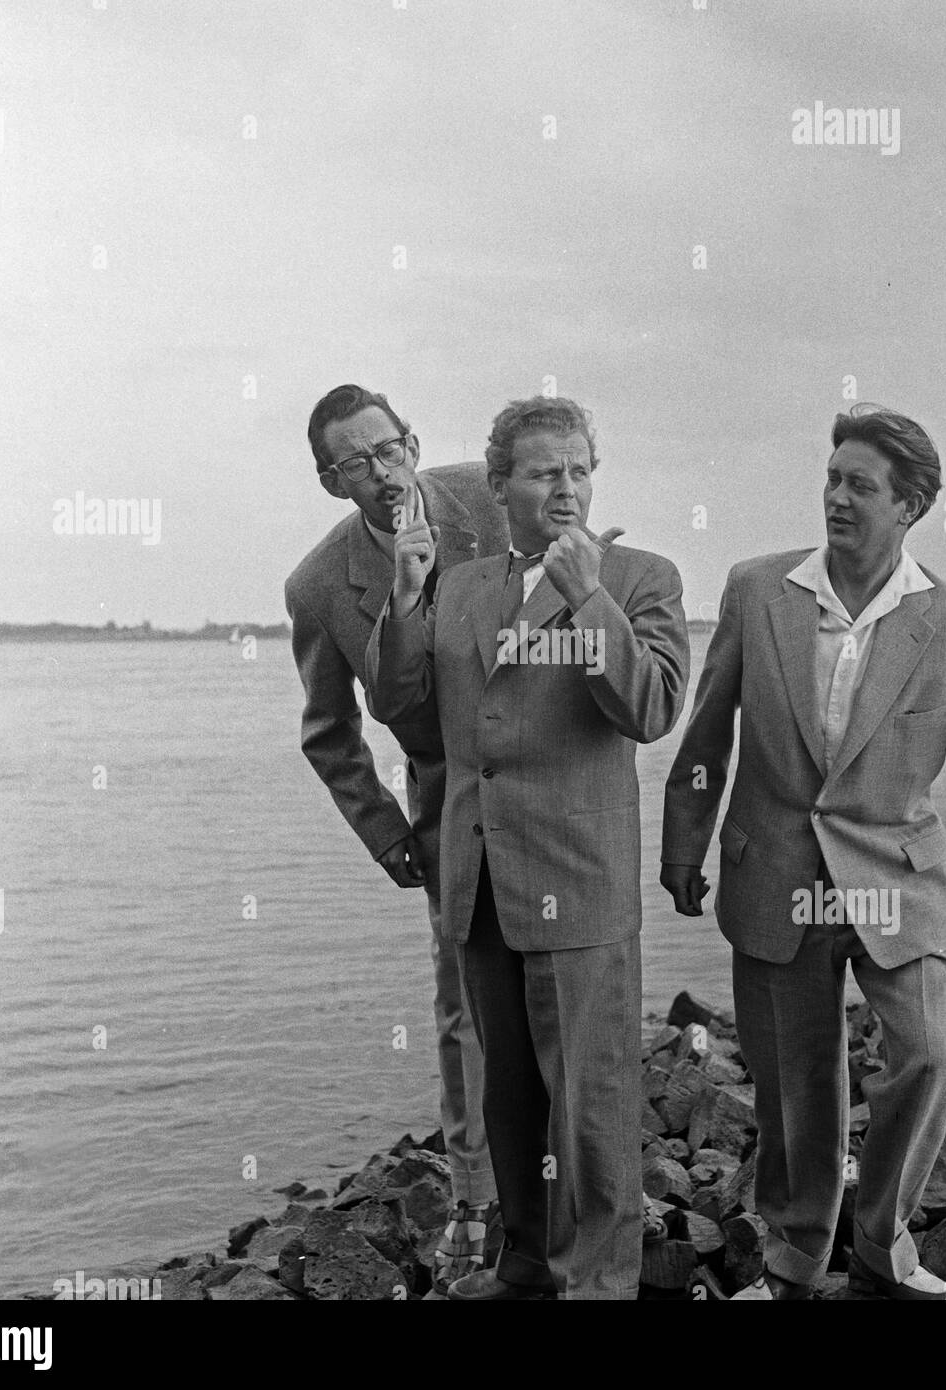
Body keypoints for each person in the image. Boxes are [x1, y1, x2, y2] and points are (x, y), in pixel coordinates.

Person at [660, 403, 946, 1301]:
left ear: (909, 506)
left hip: (895, 882)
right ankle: (794, 1260)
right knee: (796, 1084)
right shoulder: (757, 591)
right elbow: (708, 733)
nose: (836, 497)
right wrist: (685, 845)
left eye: (859, 486)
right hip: (774, 873)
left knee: (929, 1058)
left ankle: (879, 1244)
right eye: (832, 478)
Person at [366, 396, 689, 1299]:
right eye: (545, 472)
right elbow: (400, 705)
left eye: (580, 471)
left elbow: (653, 709)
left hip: (579, 885)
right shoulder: (462, 584)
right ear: (498, 483)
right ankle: (526, 1266)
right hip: (478, 879)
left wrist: (587, 596)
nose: (567, 488)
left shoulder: (638, 577)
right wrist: (402, 596)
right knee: (509, 1097)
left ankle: (599, 1282)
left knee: (591, 1106)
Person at [284, 383, 508, 1295]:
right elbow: (328, 732)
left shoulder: (490, 496)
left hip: (542, 786)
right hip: (441, 799)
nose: (381, 474)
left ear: (411, 440)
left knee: (561, 988)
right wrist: (386, 838)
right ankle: (475, 1194)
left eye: (389, 450)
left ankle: (578, 1183)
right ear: (329, 481)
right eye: (354, 464)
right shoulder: (316, 584)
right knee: (463, 1007)